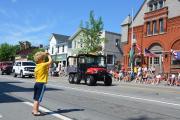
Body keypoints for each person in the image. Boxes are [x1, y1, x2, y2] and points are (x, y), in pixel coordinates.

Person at [32, 51, 52, 116]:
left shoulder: (36, 67)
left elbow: (35, 76)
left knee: (35, 98)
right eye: (43, 58)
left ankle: (34, 110)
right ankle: (35, 111)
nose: (44, 59)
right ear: (42, 59)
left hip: (36, 83)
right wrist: (48, 55)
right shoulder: (43, 65)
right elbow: (50, 61)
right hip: (41, 83)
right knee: (38, 98)